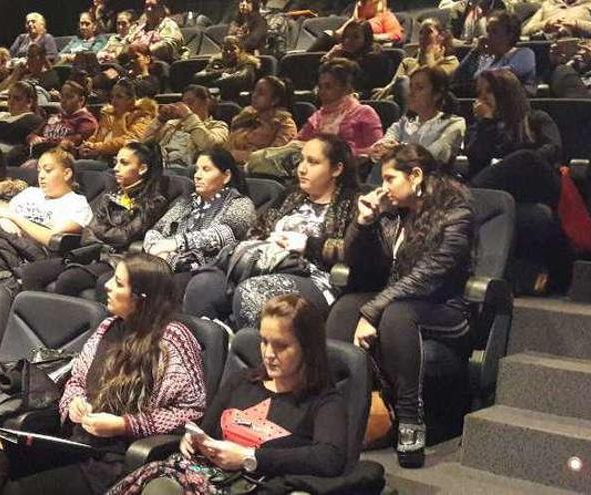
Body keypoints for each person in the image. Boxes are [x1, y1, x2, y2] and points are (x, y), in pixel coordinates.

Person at [0, 253, 206, 495]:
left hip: (115, 459)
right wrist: (74, 403)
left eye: (118, 284)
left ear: (141, 297)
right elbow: (77, 382)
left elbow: (190, 410)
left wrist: (124, 424)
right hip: (76, 442)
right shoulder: (108, 326)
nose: (107, 287)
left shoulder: (173, 339)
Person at [327, 144, 474, 469]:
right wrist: (364, 222)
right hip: (398, 301)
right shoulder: (394, 214)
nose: (383, 186)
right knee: (346, 307)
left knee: (395, 313)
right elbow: (362, 266)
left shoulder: (456, 214)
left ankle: (410, 419)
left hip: (445, 309)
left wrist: (373, 311)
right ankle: (336, 406)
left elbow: (429, 276)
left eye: (390, 178)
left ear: (416, 175)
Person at [111, 294, 348, 493]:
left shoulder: (323, 400)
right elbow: (207, 431)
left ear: (307, 348)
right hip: (204, 476)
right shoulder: (243, 382)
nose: (268, 353)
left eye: (281, 346)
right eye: (264, 342)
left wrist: (250, 457)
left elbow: (329, 458)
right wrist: (193, 440)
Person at [185, 135, 360, 328]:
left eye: (313, 162)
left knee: (251, 293)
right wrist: (269, 243)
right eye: (301, 159)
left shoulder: (352, 204)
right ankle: (211, 351)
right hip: (264, 265)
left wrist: (307, 245)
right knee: (202, 285)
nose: (302, 168)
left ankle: (250, 353)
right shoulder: (291, 196)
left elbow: (356, 252)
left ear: (337, 169)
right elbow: (256, 231)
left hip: (314, 278)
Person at [20, 142, 168, 294]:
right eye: (116, 162)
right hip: (91, 253)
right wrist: (101, 235)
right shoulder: (111, 195)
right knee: (32, 272)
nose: (116, 168)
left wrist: (101, 233)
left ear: (142, 169)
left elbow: (124, 236)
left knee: (69, 279)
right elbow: (89, 232)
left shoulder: (153, 202)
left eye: (123, 163)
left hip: (117, 259)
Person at [0, 147, 92, 285]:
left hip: (31, 254)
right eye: (39, 170)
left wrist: (14, 217)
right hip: (2, 238)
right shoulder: (31, 193)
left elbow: (53, 239)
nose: (41, 176)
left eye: (48, 170)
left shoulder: (77, 204)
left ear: (67, 174)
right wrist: (5, 219)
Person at [144, 147, 256, 300]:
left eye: (206, 169)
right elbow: (156, 230)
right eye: (197, 169)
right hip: (169, 264)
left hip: (208, 272)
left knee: (165, 285)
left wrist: (176, 243)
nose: (197, 175)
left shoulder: (240, 203)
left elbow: (225, 233)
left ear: (226, 176)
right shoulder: (187, 202)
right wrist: (155, 249)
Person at [465, 68, 562, 206]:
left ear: (506, 92)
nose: (483, 98)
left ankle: (465, 198)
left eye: (490, 91)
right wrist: (487, 122)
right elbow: (476, 158)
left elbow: (553, 149)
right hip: (499, 191)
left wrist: (511, 163)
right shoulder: (482, 126)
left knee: (525, 157)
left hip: (536, 184)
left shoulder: (537, 118)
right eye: (479, 92)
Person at [370, 66, 466, 168]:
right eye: (410, 87)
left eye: (419, 88)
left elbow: (432, 155)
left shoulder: (454, 123)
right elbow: (383, 145)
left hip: (432, 179)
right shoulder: (404, 122)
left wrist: (396, 149)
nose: (411, 93)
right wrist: (380, 148)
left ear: (436, 94)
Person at [296, 58, 383, 157]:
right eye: (320, 87)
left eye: (328, 87)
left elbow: (377, 151)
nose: (321, 92)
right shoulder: (318, 116)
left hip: (353, 169)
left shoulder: (364, 112)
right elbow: (297, 143)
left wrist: (338, 154)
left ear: (346, 88)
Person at [372, 18, 460, 105]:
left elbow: (432, 81)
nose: (423, 36)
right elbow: (395, 86)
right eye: (421, 33)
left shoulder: (450, 61)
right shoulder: (408, 62)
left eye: (428, 32)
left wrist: (429, 54)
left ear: (441, 36)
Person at [143, 85, 229, 169]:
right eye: (184, 103)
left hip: (187, 168)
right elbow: (145, 144)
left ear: (206, 102)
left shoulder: (218, 125)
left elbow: (209, 146)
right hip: (160, 162)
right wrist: (160, 120)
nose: (187, 107)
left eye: (191, 102)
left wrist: (189, 116)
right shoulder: (172, 124)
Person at [453, 10, 537, 94]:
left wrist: (480, 77)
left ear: (510, 35)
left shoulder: (524, 54)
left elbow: (503, 75)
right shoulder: (487, 58)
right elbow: (458, 76)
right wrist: (475, 51)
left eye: (494, 31)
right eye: (487, 31)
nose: (486, 37)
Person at [78, 79, 157, 167]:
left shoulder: (142, 116)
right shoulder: (108, 114)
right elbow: (96, 136)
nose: (113, 101)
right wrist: (86, 146)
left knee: (78, 166)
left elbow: (131, 140)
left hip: (121, 162)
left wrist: (98, 147)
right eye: (112, 97)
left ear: (132, 99)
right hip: (99, 158)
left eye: (119, 97)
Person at [227, 76, 298, 165]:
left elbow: (276, 157)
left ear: (275, 100)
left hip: (258, 174)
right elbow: (229, 146)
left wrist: (246, 156)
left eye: (260, 93)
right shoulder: (245, 117)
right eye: (255, 91)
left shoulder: (285, 124)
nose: (254, 95)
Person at [27, 80, 99, 157]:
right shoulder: (54, 116)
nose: (63, 100)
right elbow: (32, 135)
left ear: (81, 100)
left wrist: (44, 141)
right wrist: (33, 138)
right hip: (39, 153)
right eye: (62, 96)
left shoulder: (87, 121)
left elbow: (72, 141)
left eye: (69, 97)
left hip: (62, 158)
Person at [322, 21, 394, 95]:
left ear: (366, 38)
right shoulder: (342, 54)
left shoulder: (376, 57)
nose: (348, 40)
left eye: (356, 37)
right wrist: (329, 59)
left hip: (368, 96)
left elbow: (362, 83)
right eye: (346, 36)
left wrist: (339, 62)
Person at [308, 0, 403, 52]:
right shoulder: (357, 19)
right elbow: (339, 34)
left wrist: (371, 37)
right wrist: (352, 20)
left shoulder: (385, 16)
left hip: (368, 46)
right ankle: (306, 59)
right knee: (327, 35)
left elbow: (396, 35)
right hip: (349, 44)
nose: (361, 4)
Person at [0, 81, 46, 167]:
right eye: (9, 97)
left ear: (29, 102)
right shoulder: (1, 115)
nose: (11, 102)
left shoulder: (33, 119)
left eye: (17, 99)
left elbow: (12, 133)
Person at [192, 36, 260, 102]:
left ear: (241, 50)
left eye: (232, 49)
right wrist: (223, 72)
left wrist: (212, 80)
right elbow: (198, 77)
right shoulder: (217, 62)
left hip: (237, 101)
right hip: (213, 100)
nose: (228, 52)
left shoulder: (247, 63)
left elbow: (239, 79)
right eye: (225, 49)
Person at [438, 0, 506, 44]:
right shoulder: (459, 7)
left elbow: (499, 38)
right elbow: (449, 36)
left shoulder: (499, 6)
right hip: (462, 50)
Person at [521, 0, 591, 39]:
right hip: (547, 46)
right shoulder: (548, 4)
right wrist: (546, 25)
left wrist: (577, 24)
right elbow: (525, 31)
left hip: (581, 46)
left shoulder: (588, 4)